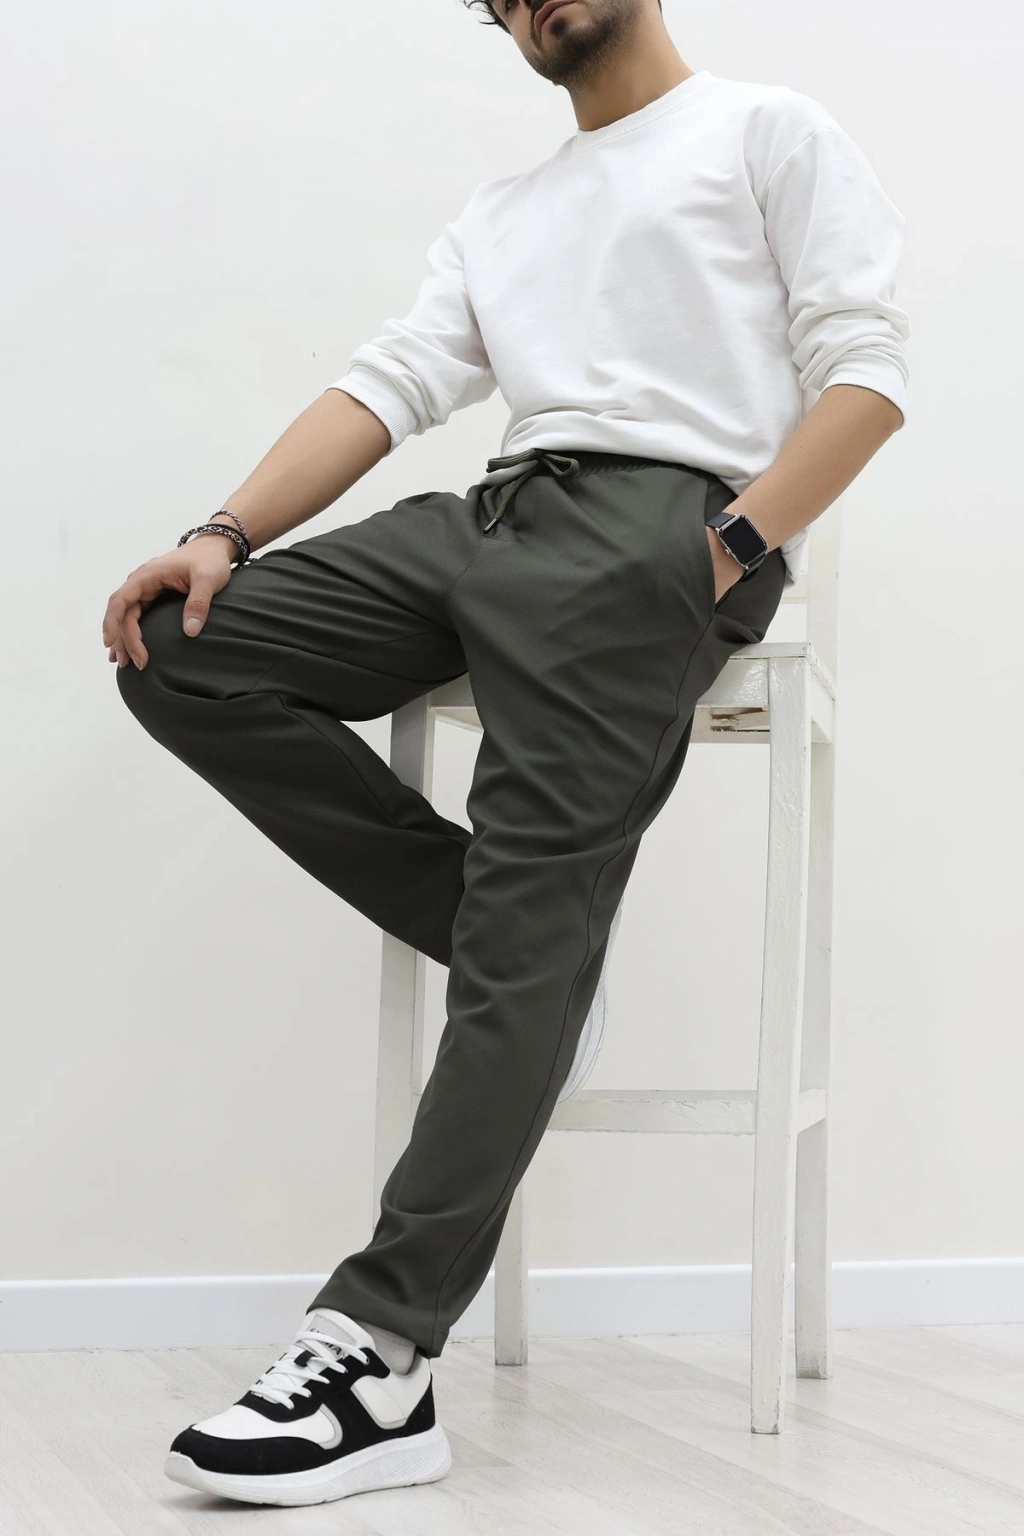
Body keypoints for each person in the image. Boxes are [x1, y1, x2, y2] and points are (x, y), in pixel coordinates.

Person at [104, 0, 909, 1509]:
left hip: (656, 533)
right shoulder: (507, 209)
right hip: (492, 516)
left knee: (537, 901)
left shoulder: (764, 131)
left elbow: (867, 371)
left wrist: (726, 547)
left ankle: (379, 1355)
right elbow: (393, 378)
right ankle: (524, 950)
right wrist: (222, 531)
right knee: (181, 647)